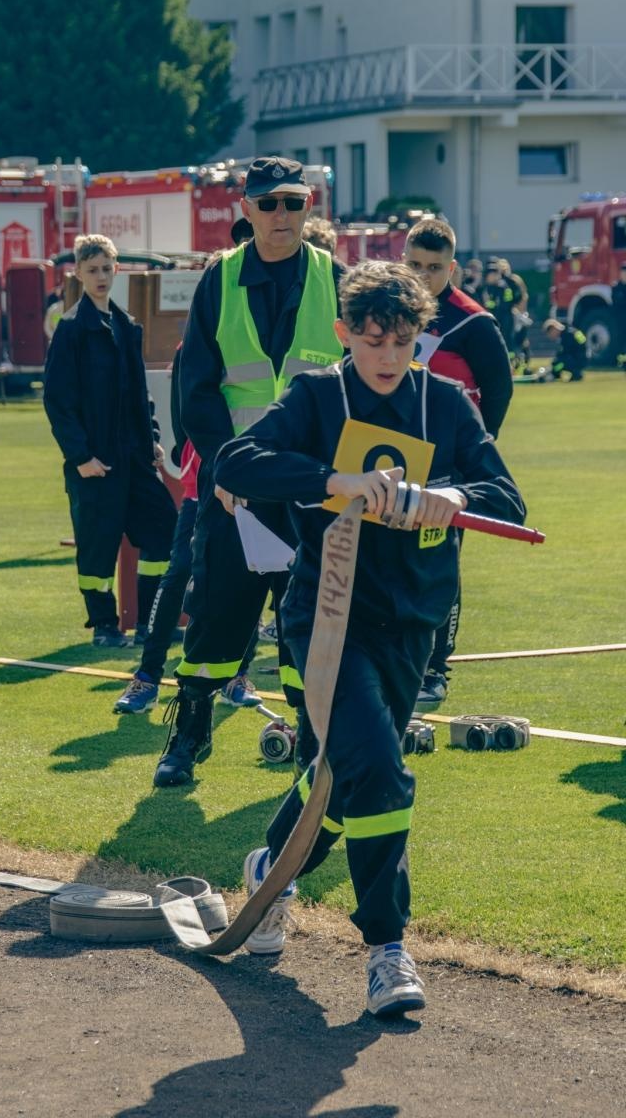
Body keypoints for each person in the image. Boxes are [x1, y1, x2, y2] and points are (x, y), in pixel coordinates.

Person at [214, 260, 525, 1016]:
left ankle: (271, 869)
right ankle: (387, 948)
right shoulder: (319, 393)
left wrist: (452, 495)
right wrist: (333, 481)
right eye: (373, 339)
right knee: (379, 771)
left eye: (403, 340)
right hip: (327, 617)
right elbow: (237, 461)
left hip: (411, 621)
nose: (388, 357)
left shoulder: (446, 403)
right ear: (343, 333)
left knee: (349, 778)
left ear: (421, 337)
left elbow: (506, 498)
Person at [153, 156, 346, 787]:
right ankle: (189, 735)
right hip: (235, 485)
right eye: (268, 204)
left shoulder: (336, 280)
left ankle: (311, 744)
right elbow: (197, 390)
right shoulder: (220, 280)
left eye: (292, 202)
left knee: (310, 621)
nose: (281, 215)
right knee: (216, 610)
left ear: (308, 206)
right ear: (246, 208)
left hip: (311, 488)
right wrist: (223, 469)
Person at [43, 234, 178, 647]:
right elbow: (57, 401)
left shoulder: (126, 325)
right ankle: (103, 625)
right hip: (95, 462)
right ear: (78, 274)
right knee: (97, 549)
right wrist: (81, 456)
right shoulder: (70, 330)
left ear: (116, 270)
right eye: (92, 270)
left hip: (135, 458)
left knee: (162, 532)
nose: (101, 277)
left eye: (107, 268)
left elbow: (141, 395)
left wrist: (152, 439)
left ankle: (151, 621)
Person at [113, 347, 261, 714]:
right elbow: (185, 417)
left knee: (250, 575)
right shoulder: (193, 347)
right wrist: (198, 462)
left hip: (255, 482)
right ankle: (147, 677)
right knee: (179, 571)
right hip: (203, 485)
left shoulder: (264, 338)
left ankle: (237, 677)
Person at [403, 218, 513, 710]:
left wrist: (474, 454)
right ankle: (397, 658)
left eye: (433, 267)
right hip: (391, 464)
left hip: (448, 473)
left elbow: (500, 390)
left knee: (439, 567)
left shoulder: (473, 322)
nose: (423, 275)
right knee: (391, 565)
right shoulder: (389, 312)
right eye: (414, 265)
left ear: (452, 268)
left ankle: (435, 667)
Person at [479, 257, 521, 355]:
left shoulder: (502, 287)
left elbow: (505, 304)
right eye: (490, 274)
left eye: (494, 274)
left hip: (504, 319)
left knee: (507, 342)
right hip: (492, 319)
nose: (492, 276)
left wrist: (491, 305)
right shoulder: (485, 288)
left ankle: (511, 363)